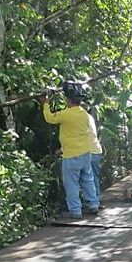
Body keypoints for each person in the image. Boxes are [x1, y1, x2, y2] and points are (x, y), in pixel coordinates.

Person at [39, 81, 99, 219]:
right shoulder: (84, 114)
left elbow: (49, 118)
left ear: (68, 100)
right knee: (87, 180)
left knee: (71, 183)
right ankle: (93, 204)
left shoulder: (65, 114)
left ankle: (76, 211)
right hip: (85, 153)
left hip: (71, 155)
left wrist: (46, 103)